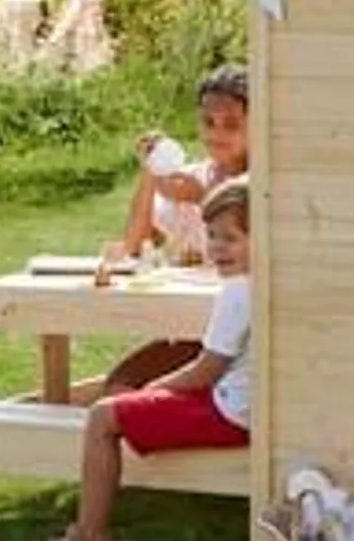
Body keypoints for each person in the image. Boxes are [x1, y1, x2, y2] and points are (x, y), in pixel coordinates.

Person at [41, 177, 253, 541]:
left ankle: (89, 538)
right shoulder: (263, 284)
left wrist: (153, 388)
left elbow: (206, 370)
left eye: (231, 238)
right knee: (127, 396)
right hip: (243, 403)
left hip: (232, 412)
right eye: (212, 236)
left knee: (104, 415)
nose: (217, 248)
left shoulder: (238, 293)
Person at [91, 62, 250, 398]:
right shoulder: (188, 179)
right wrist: (151, 171)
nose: (217, 134)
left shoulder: (258, 190)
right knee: (117, 388)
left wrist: (207, 197)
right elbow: (135, 245)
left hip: (236, 344)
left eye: (232, 124)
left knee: (129, 397)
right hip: (190, 331)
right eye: (208, 123)